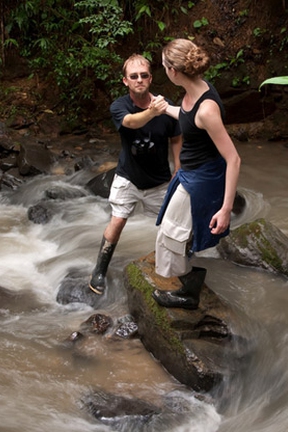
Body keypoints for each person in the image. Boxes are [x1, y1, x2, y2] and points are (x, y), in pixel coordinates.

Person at [151, 39, 241, 310]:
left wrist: (225, 209)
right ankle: (190, 273)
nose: (163, 70)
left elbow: (234, 158)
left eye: (164, 66)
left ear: (174, 72)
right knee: (172, 231)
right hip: (190, 172)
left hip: (202, 178)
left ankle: (190, 290)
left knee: (168, 237)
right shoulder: (196, 89)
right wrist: (166, 108)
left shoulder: (207, 109)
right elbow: (189, 119)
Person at [88, 54, 182, 295]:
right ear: (125, 81)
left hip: (160, 179)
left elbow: (176, 138)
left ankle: (171, 270)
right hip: (128, 177)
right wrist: (153, 112)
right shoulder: (119, 106)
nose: (139, 80)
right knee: (117, 221)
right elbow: (130, 122)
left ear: (150, 78)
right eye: (134, 77)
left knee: (172, 227)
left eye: (143, 75)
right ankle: (99, 269)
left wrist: (179, 170)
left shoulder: (166, 105)